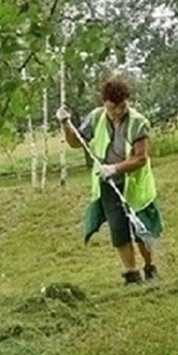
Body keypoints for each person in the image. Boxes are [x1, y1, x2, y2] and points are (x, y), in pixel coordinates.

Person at [56, 79, 164, 285]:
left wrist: (114, 168)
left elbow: (141, 158)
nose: (118, 111)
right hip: (108, 185)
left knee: (141, 228)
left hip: (135, 184)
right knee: (118, 228)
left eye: (122, 106)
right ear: (104, 102)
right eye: (113, 107)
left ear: (127, 101)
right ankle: (132, 274)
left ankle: (150, 268)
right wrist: (65, 124)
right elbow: (76, 142)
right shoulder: (96, 117)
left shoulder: (137, 122)